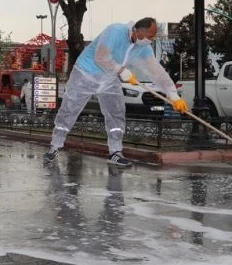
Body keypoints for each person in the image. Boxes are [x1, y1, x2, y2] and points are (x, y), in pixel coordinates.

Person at [44, 17, 189, 167]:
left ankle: (115, 152)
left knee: (116, 114)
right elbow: (101, 57)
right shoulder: (115, 31)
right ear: (140, 32)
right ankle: (55, 146)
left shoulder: (143, 48)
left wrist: (173, 95)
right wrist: (122, 71)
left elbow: (156, 71)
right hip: (85, 74)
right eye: (151, 36)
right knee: (69, 110)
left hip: (109, 79)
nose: (151, 41)